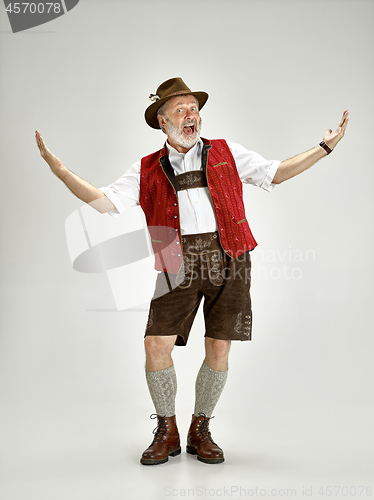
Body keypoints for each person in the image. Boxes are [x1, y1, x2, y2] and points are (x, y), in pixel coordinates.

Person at [35, 77, 349, 466]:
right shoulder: (146, 168)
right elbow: (102, 204)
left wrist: (323, 148)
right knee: (156, 344)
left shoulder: (227, 152)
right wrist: (62, 171)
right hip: (175, 262)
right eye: (180, 109)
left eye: (194, 108)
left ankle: (201, 429)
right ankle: (167, 431)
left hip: (230, 257)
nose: (191, 116)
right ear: (162, 121)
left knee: (219, 344)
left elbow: (276, 173)